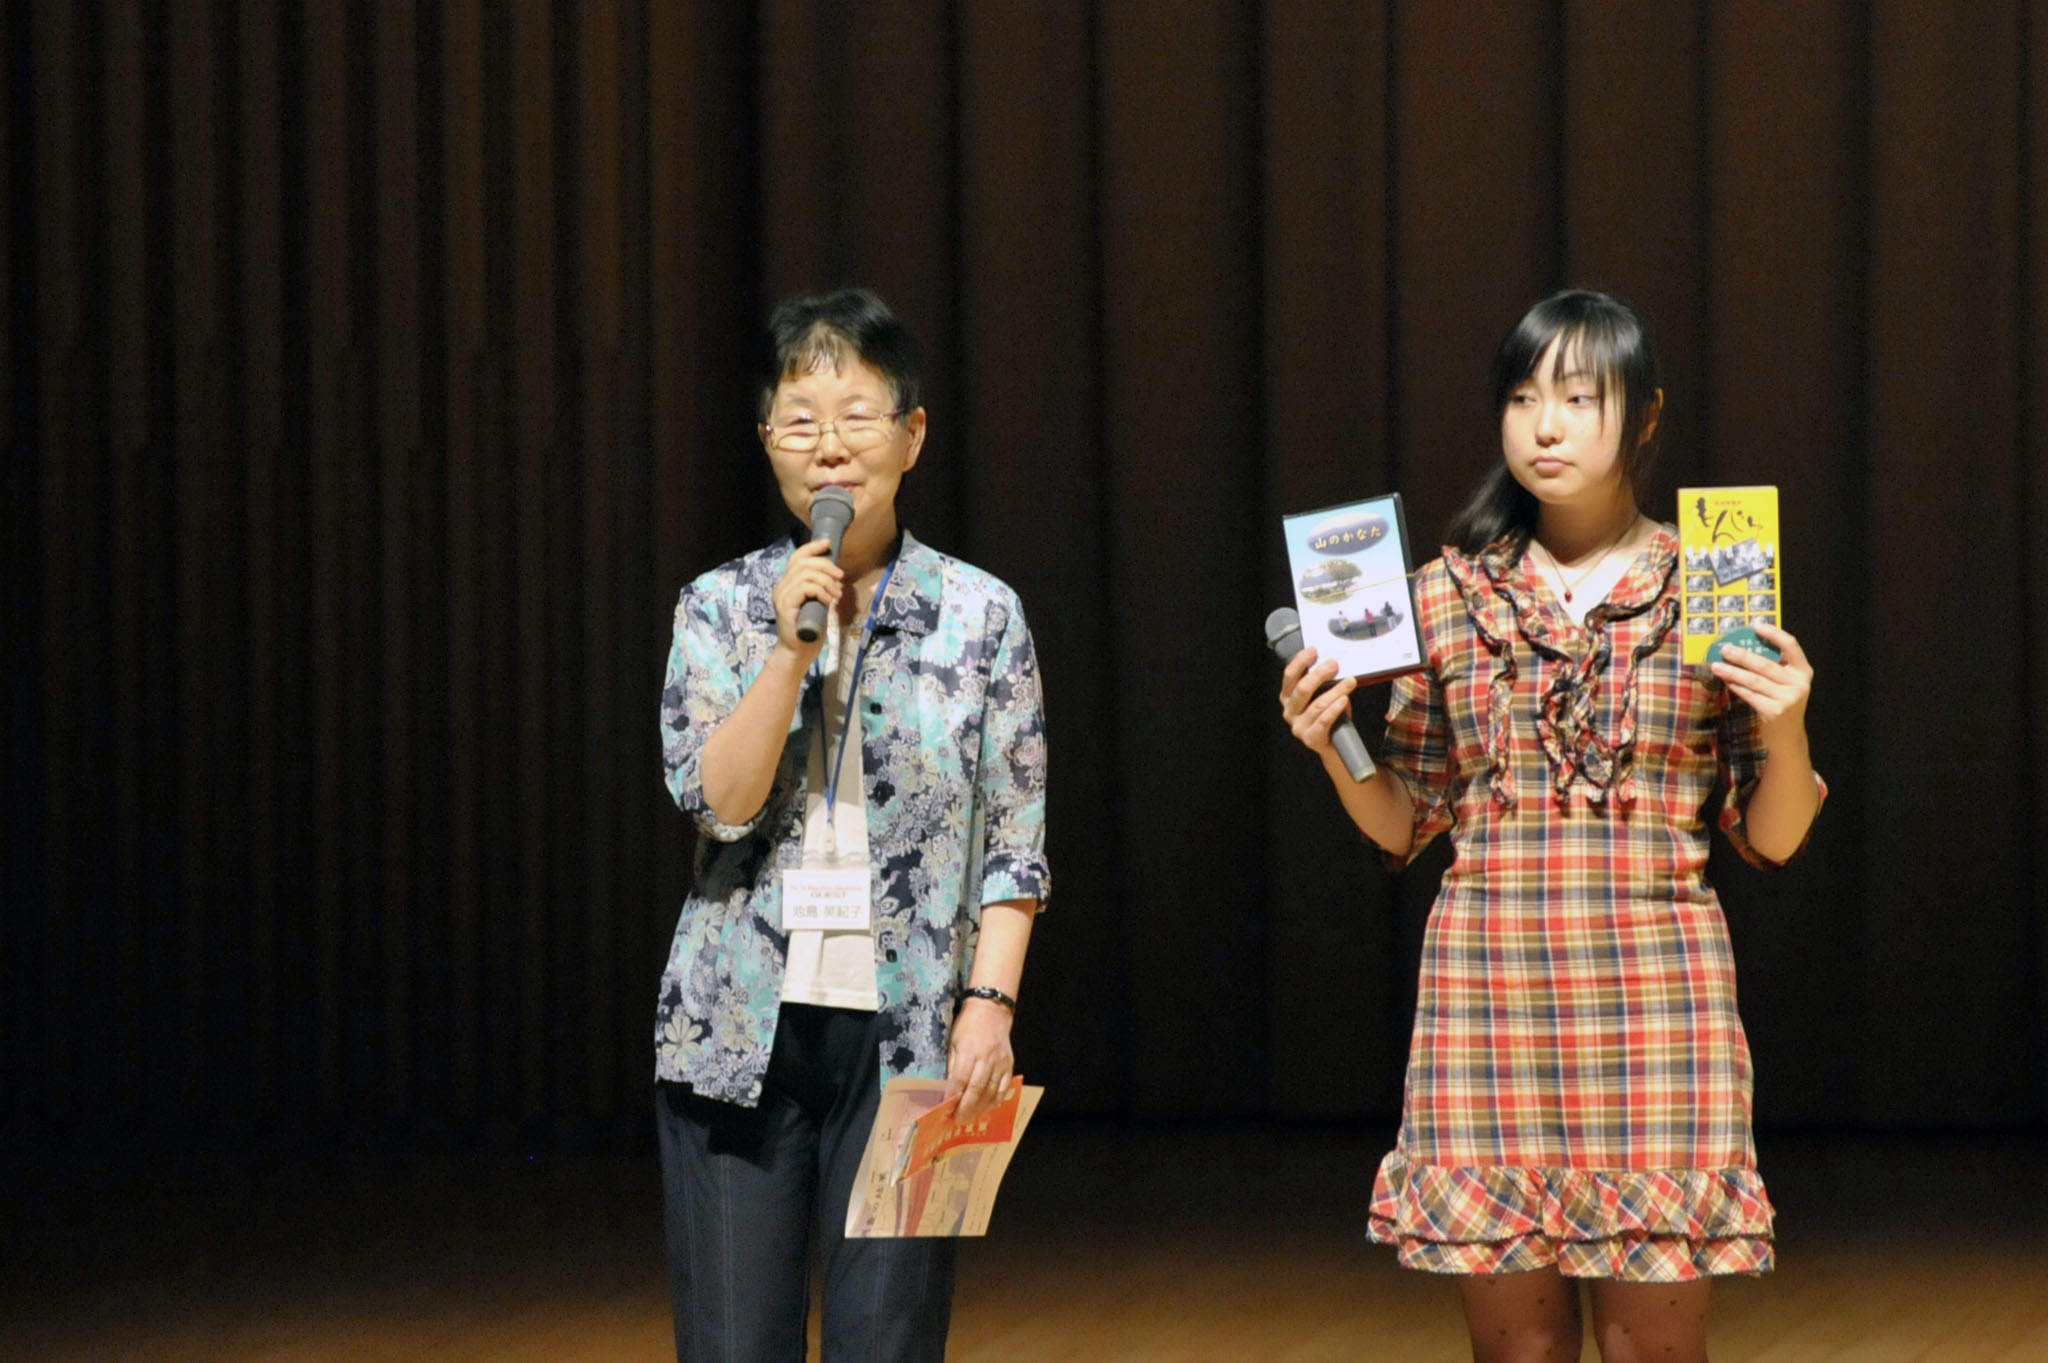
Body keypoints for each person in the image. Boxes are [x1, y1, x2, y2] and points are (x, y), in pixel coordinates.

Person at [1277, 289, 1822, 1363]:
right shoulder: (1438, 595)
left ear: (1645, 415)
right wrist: (1330, 748)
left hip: (1659, 996)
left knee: (1649, 1350)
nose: (1544, 424)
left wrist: (1790, 724)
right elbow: (1401, 822)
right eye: (1522, 397)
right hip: (1489, 996)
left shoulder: (1710, 579)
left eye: (1579, 397)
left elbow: (1774, 835)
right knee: (1517, 1354)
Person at [655, 287, 1048, 1362]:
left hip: (916, 1038)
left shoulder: (982, 614)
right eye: (799, 421)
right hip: (737, 1035)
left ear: (911, 434)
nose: (828, 448)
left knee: (890, 1343)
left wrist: (990, 1005)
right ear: (767, 442)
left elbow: (1014, 838)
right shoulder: (717, 608)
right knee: (735, 1346)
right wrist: (787, 650)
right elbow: (714, 801)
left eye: (857, 415)